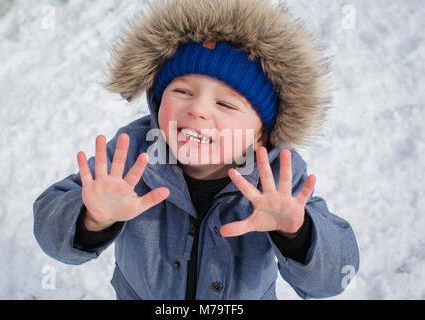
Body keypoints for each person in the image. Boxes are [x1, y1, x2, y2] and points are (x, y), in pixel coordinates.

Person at [33, 0, 359, 300]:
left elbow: (335, 278)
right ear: (158, 101)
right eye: (183, 90)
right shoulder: (130, 157)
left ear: (262, 134)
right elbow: (49, 228)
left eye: (226, 103)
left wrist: (297, 234)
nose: (198, 110)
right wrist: (90, 220)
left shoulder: (278, 180)